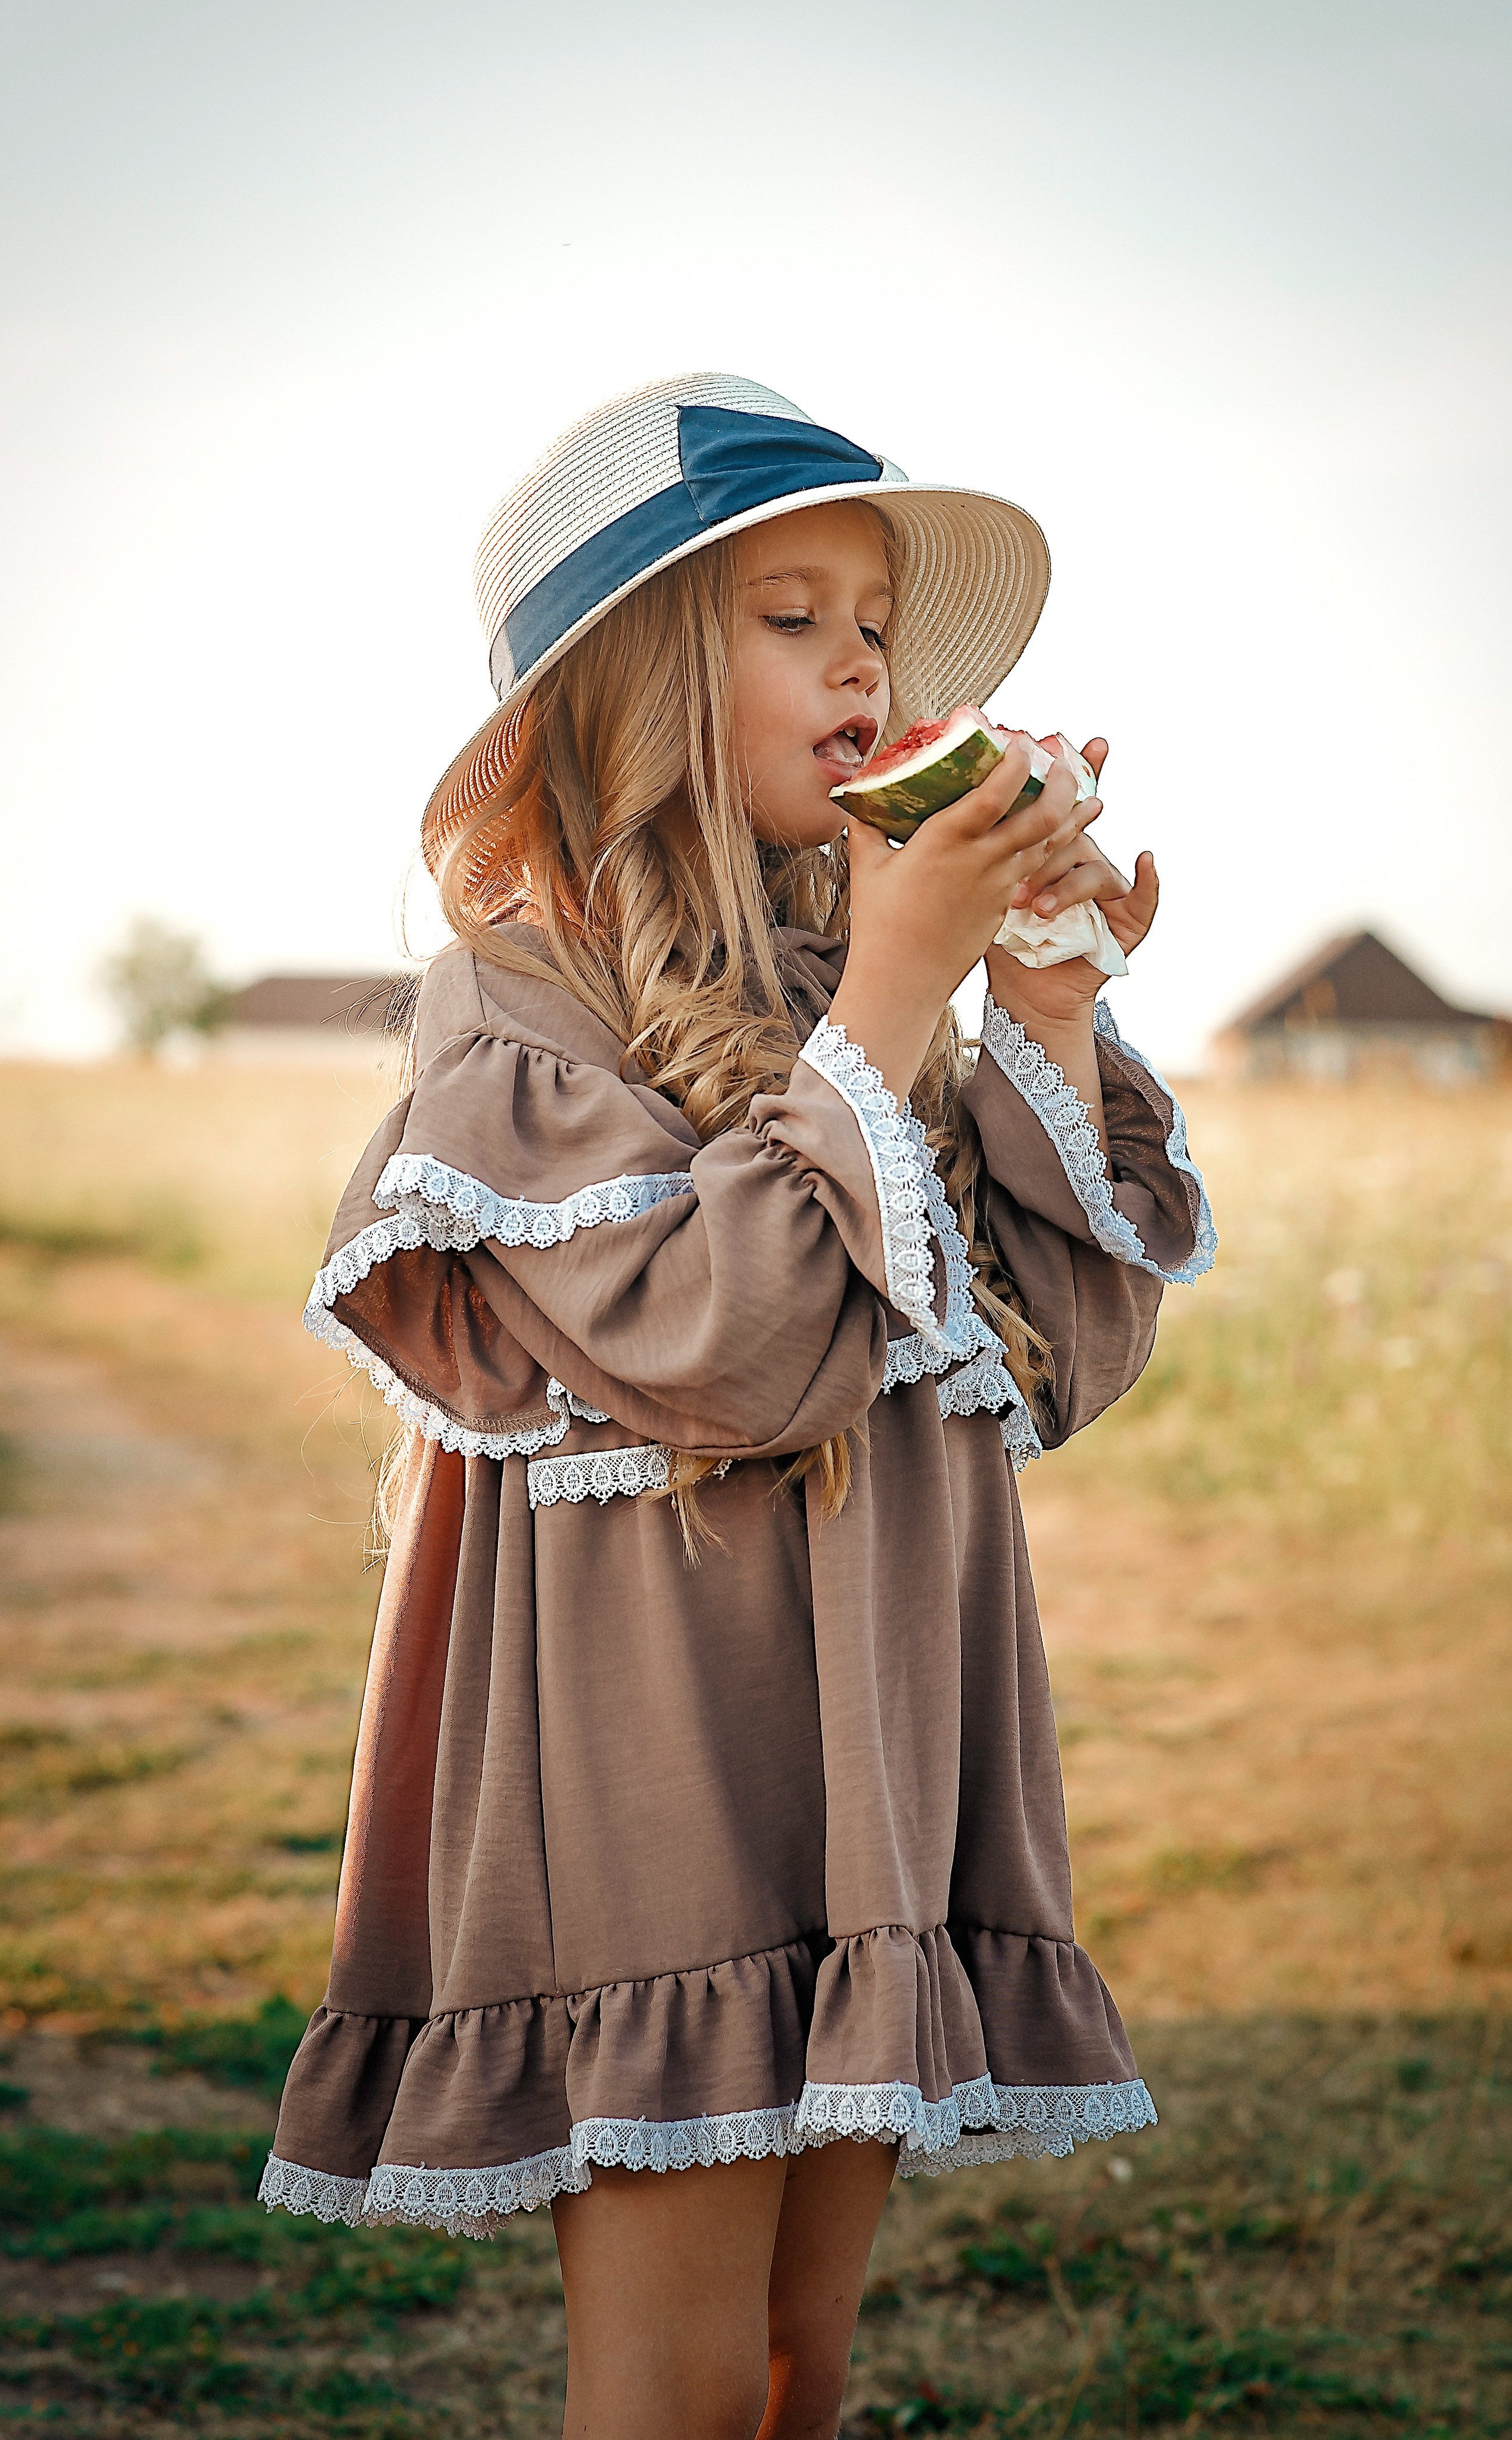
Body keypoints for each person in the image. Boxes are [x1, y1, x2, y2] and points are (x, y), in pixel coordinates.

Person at [260, 374, 1215, 2439]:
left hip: (873, 1735)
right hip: (660, 1762)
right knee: (679, 2370)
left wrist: (1033, 996)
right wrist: (892, 992)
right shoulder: (518, 1001)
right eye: (788, 616)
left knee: (802, 2353)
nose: (862, 659)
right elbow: (728, 1343)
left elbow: (1055, 1343)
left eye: (872, 619)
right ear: (625, 690)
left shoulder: (845, 978)